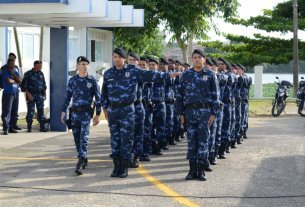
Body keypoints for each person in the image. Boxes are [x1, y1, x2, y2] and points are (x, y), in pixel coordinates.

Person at [101, 49, 180, 178]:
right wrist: (105, 109)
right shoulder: (108, 73)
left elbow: (151, 75)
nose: (116, 59)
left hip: (127, 110)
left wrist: (169, 75)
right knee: (115, 140)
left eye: (119, 57)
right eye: (114, 56)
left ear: (124, 59)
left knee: (126, 139)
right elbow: (104, 93)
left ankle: (124, 167)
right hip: (113, 111)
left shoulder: (132, 71)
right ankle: (116, 167)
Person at [176, 49, 220, 181]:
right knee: (191, 142)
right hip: (189, 113)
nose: (196, 59)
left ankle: (201, 171)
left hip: (205, 113)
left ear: (204, 60)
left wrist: (214, 113)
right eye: (194, 57)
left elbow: (216, 95)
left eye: (199, 57)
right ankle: (191, 170)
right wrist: (181, 113)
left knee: (203, 141)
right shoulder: (185, 75)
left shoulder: (211, 75)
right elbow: (180, 95)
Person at [61, 56, 101, 176]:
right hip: (74, 113)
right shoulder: (73, 80)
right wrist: (63, 111)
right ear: (77, 66)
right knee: (77, 138)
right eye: (81, 64)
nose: (84, 66)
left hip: (85, 114)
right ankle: (83, 157)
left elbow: (98, 98)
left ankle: (80, 162)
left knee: (84, 137)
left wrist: (98, 114)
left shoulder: (92, 80)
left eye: (86, 64)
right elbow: (67, 96)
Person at [21, 61, 48, 132]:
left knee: (41, 111)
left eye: (41, 66)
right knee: (31, 111)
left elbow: (44, 85)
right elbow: (23, 86)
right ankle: (29, 126)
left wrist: (45, 94)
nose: (40, 68)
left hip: (39, 95)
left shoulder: (41, 73)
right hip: (31, 95)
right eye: (39, 66)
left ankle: (42, 126)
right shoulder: (28, 74)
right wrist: (28, 94)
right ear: (35, 66)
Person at [1, 58, 22, 135]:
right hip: (8, 93)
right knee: (7, 111)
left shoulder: (15, 71)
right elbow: (8, 81)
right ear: (8, 64)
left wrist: (13, 75)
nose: (13, 66)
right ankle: (6, 128)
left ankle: (11, 128)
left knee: (14, 111)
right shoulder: (4, 71)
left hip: (16, 92)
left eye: (14, 64)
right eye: (11, 64)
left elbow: (20, 80)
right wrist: (16, 80)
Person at [139, 57, 153, 161]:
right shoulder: (134, 76)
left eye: (143, 65)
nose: (141, 67)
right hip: (137, 107)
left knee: (147, 131)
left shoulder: (149, 76)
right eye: (140, 65)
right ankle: (136, 154)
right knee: (136, 132)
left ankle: (146, 152)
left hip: (147, 107)